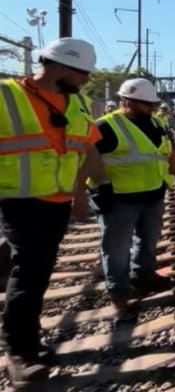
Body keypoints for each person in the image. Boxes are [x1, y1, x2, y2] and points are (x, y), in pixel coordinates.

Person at [0, 38, 100, 386]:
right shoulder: (6, 96)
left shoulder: (79, 103)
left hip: (57, 203)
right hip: (20, 201)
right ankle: (18, 353)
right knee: (28, 274)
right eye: (81, 73)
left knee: (39, 272)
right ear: (58, 65)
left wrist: (84, 193)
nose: (85, 81)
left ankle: (29, 339)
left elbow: (82, 151)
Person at [85, 78, 175, 321]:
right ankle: (119, 292)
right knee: (116, 248)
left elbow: (171, 155)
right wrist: (86, 191)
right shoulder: (106, 126)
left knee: (148, 240)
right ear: (126, 101)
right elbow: (86, 159)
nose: (151, 108)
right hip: (118, 198)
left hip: (153, 194)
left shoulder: (158, 123)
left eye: (153, 104)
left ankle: (144, 276)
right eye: (145, 104)